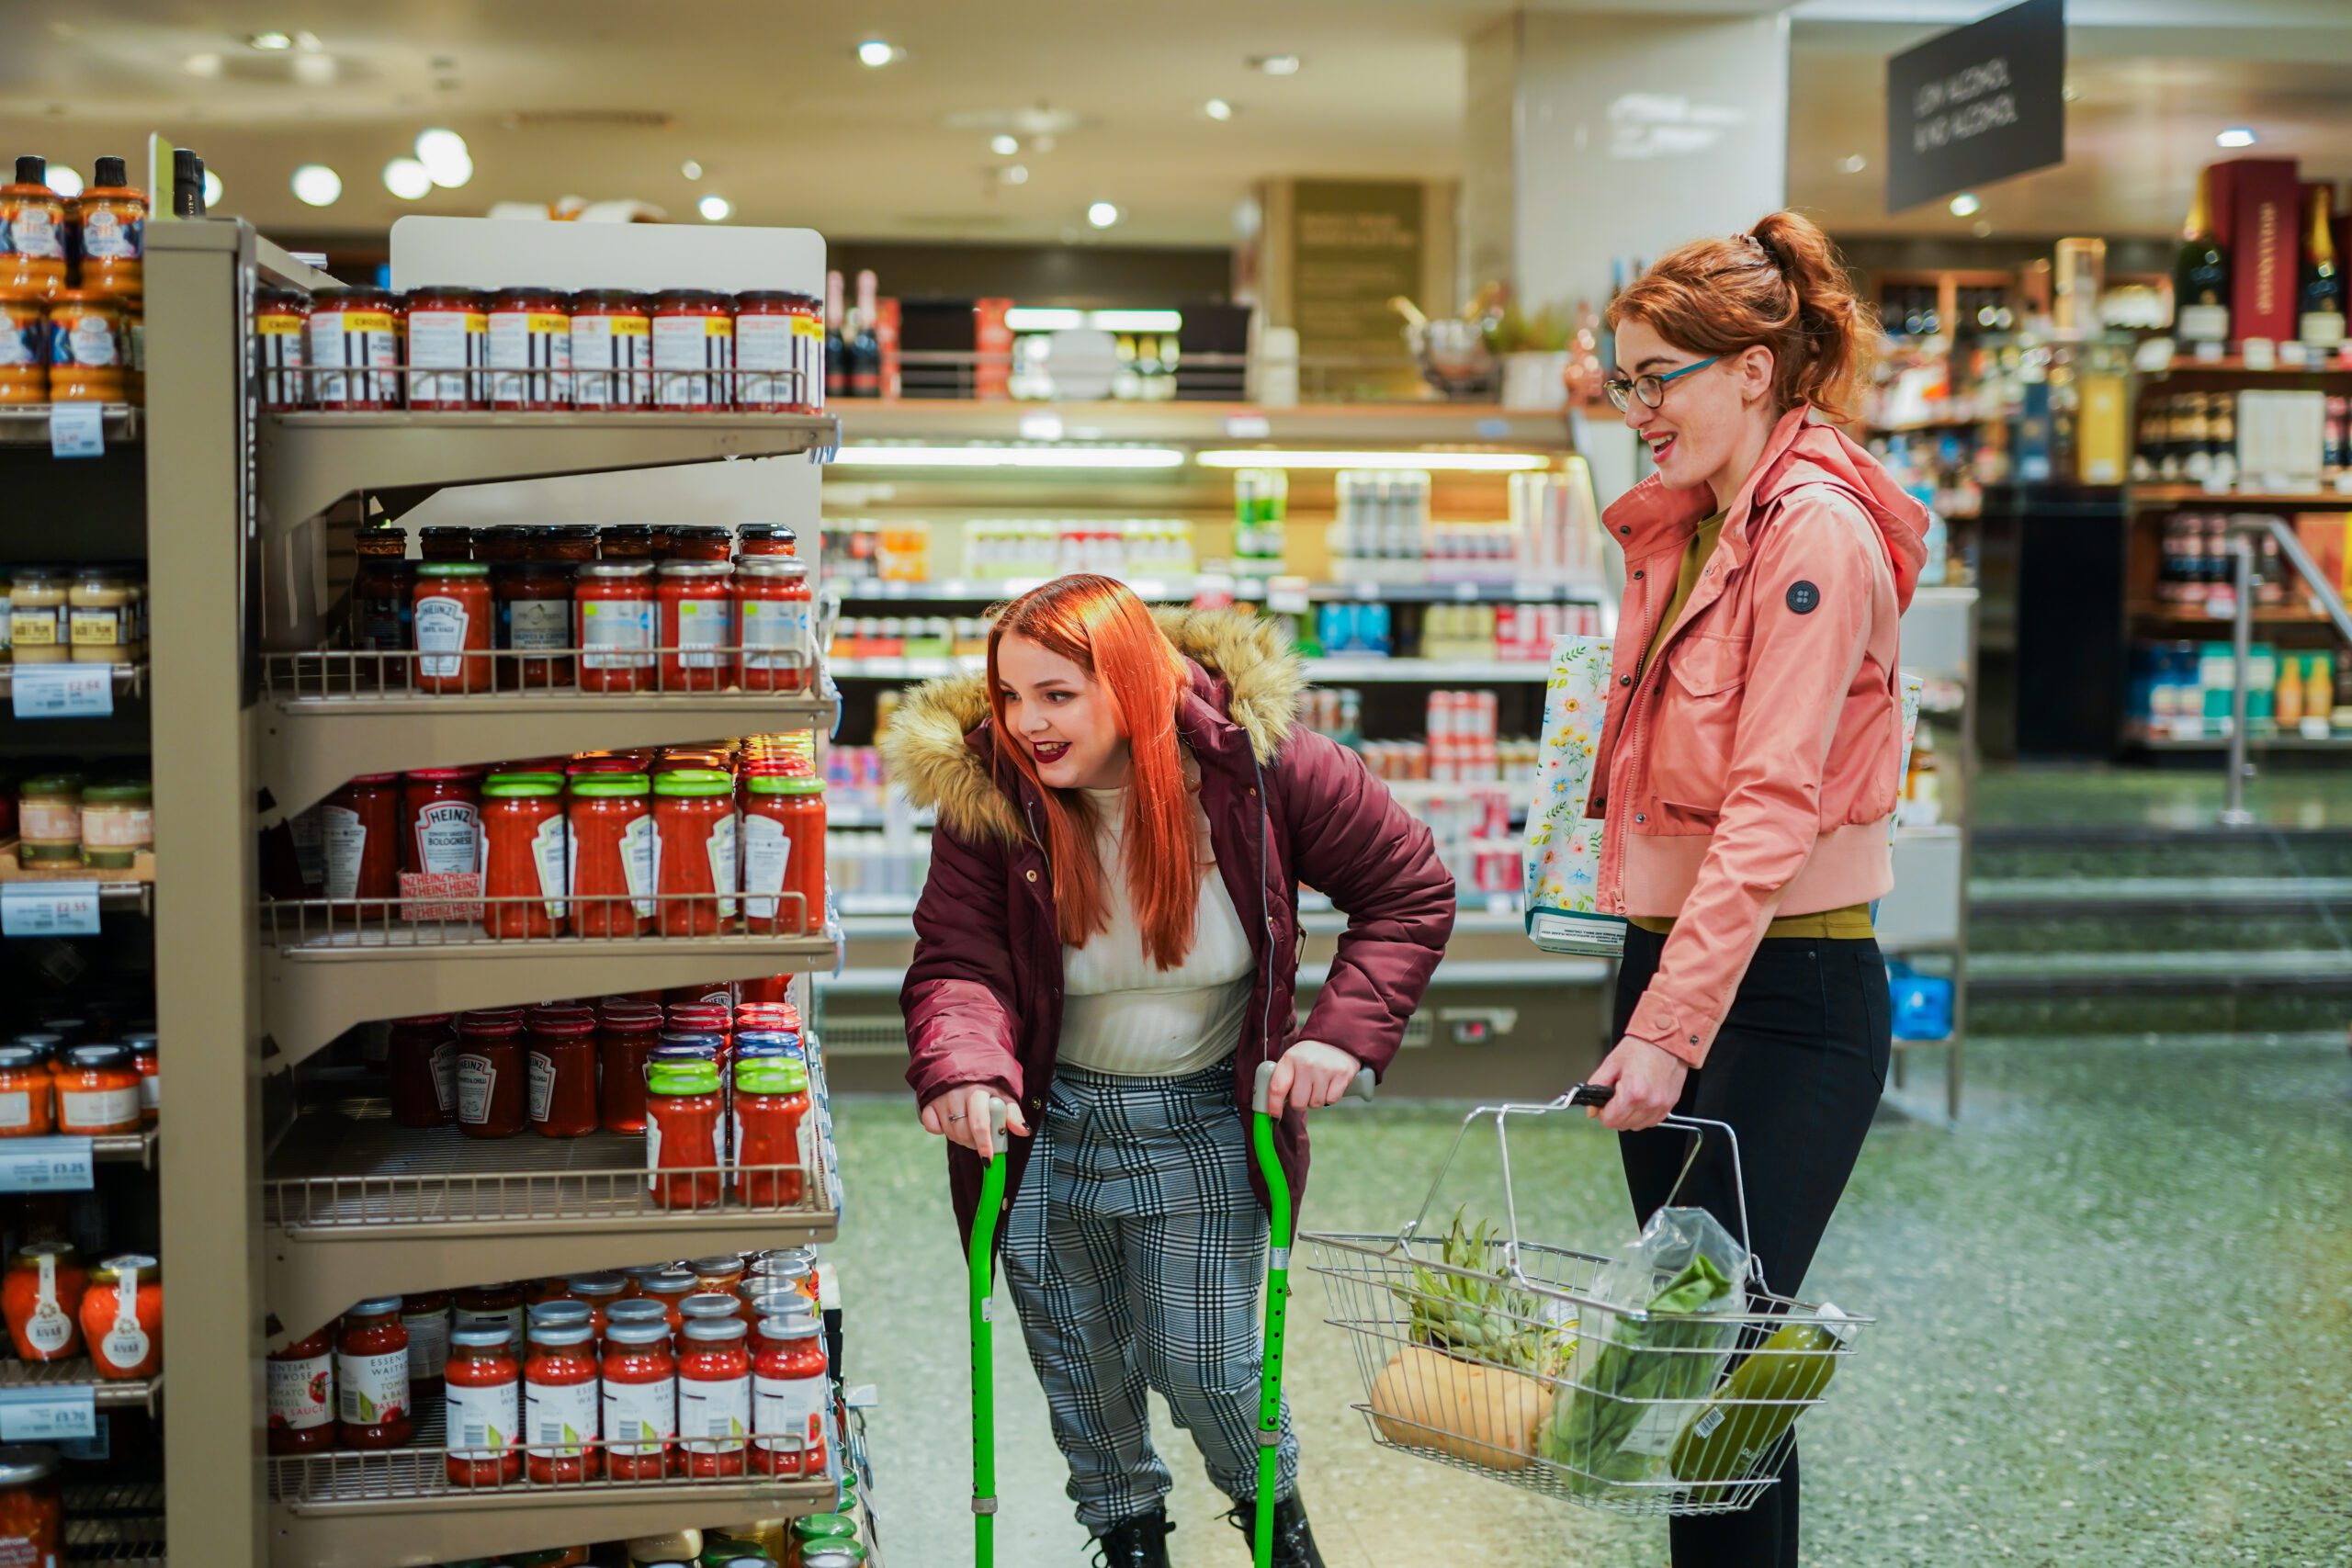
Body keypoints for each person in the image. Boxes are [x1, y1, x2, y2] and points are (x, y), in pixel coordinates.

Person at [886, 577, 1454, 1568]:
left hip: (1204, 1120)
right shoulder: (988, 796)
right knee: (1083, 1378)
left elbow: (1407, 890)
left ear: (1135, 684)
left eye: (1057, 695)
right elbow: (957, 962)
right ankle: (1129, 1540)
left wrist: (1336, 1036)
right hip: (1040, 1127)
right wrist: (963, 1069)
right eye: (1011, 695)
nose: (1026, 724)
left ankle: (1277, 1527)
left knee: (1211, 1370)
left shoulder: (1264, 773)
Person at [1582, 210, 1926, 1567]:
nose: (1637, 411)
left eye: (1657, 374)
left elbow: (1773, 803)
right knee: (1697, 1366)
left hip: (1787, 1000)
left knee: (1725, 1361)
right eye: (1622, 381)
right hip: (1673, 965)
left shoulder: (1813, 533)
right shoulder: (1699, 524)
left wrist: (1669, 1028)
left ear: (1753, 366)